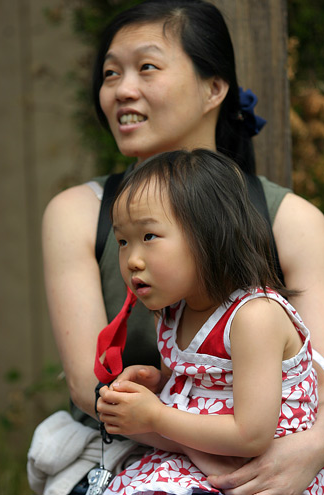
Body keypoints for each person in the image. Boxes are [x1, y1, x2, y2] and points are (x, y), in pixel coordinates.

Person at [28, 0, 324, 494]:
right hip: (130, 449)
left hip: (275, 454)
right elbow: (92, 387)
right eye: (109, 73)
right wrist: (180, 426)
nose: (122, 89)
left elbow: (319, 369)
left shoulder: (291, 219)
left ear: (214, 88)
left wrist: (311, 450)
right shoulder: (78, 212)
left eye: (147, 67)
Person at [96, 148, 323, 495]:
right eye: (123, 242)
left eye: (148, 237)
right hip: (202, 459)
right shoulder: (174, 312)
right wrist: (156, 385)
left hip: (263, 475)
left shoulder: (253, 317)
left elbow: (251, 435)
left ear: (208, 234)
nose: (132, 260)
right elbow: (192, 391)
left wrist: (154, 415)